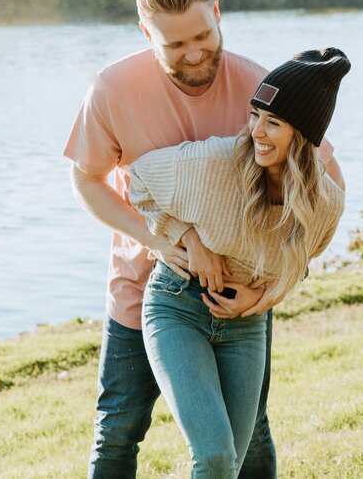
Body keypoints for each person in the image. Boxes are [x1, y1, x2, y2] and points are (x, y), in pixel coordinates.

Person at [63, 0, 344, 478]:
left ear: (217, 13)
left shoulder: (262, 86)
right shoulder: (111, 89)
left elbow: (322, 186)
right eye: (174, 45)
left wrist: (277, 286)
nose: (194, 54)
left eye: (202, 36)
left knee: (250, 432)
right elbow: (87, 180)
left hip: (239, 294)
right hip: (144, 286)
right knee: (119, 426)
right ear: (146, 34)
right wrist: (163, 241)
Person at [127, 48, 349, 477]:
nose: (256, 132)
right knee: (213, 456)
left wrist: (263, 296)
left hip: (246, 325)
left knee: (232, 462)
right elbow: (138, 179)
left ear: (303, 135)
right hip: (178, 305)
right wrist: (190, 240)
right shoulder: (216, 162)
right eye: (254, 115)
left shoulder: (325, 204)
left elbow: (302, 261)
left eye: (273, 123)